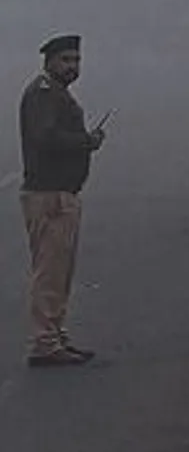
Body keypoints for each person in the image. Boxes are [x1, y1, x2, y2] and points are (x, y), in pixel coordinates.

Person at [18, 33, 105, 366]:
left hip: (61, 193)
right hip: (49, 195)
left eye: (76, 60)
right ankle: (45, 341)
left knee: (59, 271)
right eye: (66, 60)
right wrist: (86, 142)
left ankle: (54, 334)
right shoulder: (44, 94)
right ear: (49, 62)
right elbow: (46, 138)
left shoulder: (55, 93)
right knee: (49, 272)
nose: (72, 66)